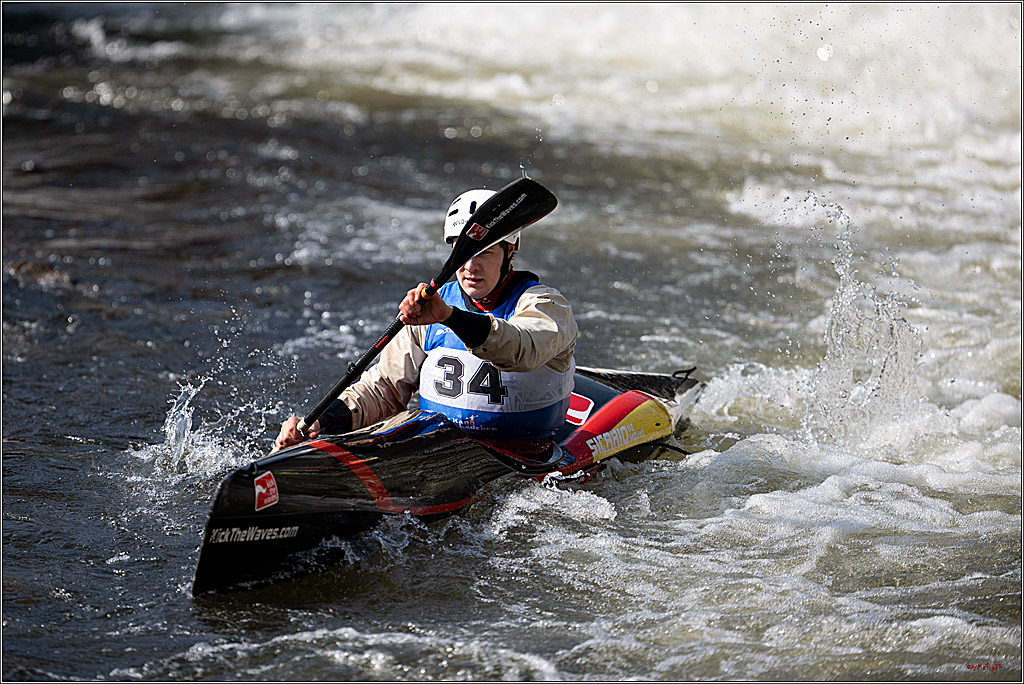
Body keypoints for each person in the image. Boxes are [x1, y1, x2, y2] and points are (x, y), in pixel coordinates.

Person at [275, 187, 578, 454]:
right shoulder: (430, 308)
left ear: (509, 251)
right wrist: (319, 423)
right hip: (441, 452)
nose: (471, 266)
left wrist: (450, 317)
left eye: (484, 252)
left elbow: (520, 350)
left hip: (524, 453)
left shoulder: (547, 306)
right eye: (464, 251)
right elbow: (385, 390)